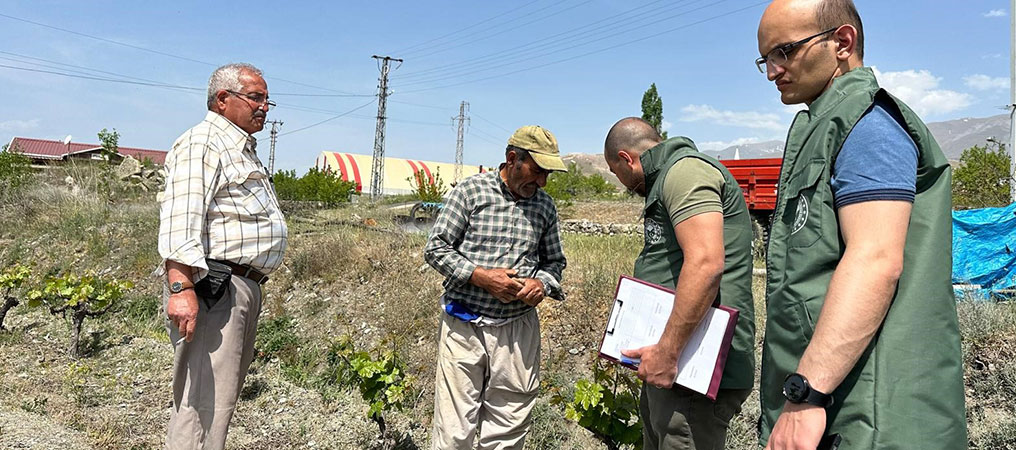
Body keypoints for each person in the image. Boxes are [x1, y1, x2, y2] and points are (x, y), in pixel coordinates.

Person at [755, 1, 966, 448]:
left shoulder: (867, 126)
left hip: (867, 413)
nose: (773, 71)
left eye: (784, 52)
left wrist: (806, 393)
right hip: (844, 400)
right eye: (766, 59)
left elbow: (875, 260)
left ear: (842, 43)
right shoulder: (830, 124)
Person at [156, 62, 288, 450]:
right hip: (214, 289)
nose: (264, 107)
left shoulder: (239, 147)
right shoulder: (205, 142)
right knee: (201, 404)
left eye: (267, 99)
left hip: (237, 288)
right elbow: (182, 215)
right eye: (256, 97)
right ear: (223, 99)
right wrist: (180, 286)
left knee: (217, 402)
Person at [603, 118, 756, 450]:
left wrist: (668, 353)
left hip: (692, 367)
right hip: (676, 364)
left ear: (626, 159)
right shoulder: (667, 178)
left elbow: (705, 264)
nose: (624, 184)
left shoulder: (684, 172)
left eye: (618, 174)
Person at [424, 125, 568, 449]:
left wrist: (541, 285)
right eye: (538, 170)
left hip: (517, 330)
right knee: (453, 430)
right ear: (512, 159)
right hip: (464, 325)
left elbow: (555, 263)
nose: (543, 181)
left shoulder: (544, 207)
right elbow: (436, 248)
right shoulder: (470, 192)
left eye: (548, 174)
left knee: (508, 425)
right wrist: (480, 276)